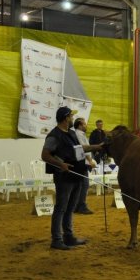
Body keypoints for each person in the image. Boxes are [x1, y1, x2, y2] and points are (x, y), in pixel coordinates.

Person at [41, 106, 102, 250]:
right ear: (65, 118)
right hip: (64, 176)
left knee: (70, 208)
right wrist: (60, 164)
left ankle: (68, 237)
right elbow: (45, 155)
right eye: (71, 116)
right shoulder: (54, 136)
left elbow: (81, 148)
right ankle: (56, 239)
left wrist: (96, 147)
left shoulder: (71, 133)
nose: (72, 119)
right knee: (61, 208)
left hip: (77, 175)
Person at [72, 117, 97, 215]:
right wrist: (90, 160)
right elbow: (83, 148)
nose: (86, 125)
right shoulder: (79, 134)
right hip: (83, 163)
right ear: (79, 125)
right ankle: (81, 206)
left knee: (81, 185)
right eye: (84, 124)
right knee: (84, 185)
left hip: (83, 162)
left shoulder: (80, 134)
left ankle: (77, 206)